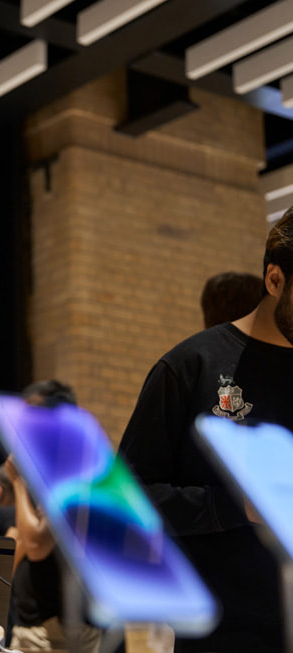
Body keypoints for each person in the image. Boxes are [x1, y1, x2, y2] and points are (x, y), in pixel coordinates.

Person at [118, 211, 293, 651]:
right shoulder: (190, 367)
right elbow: (127, 499)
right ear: (275, 279)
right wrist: (236, 506)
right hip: (222, 635)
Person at [6, 380, 101, 653]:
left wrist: (18, 482)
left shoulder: (71, 470)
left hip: (54, 633)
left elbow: (37, 544)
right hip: (46, 627)